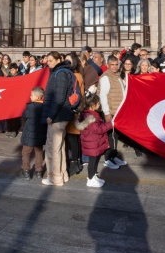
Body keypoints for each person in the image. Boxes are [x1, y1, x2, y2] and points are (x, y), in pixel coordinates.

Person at [41, 51, 76, 186]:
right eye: (47, 60)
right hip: (62, 115)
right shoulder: (62, 72)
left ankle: (55, 178)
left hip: (58, 116)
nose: (48, 63)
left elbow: (59, 98)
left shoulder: (60, 73)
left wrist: (51, 115)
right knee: (60, 147)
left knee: (52, 148)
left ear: (58, 59)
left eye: (50, 60)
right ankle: (62, 175)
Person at [76, 93, 112, 188]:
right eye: (98, 103)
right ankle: (90, 179)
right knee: (92, 162)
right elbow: (98, 130)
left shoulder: (90, 114)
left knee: (95, 161)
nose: (99, 105)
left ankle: (93, 176)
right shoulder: (91, 117)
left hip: (94, 143)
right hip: (92, 144)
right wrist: (110, 124)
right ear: (93, 105)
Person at [99, 55, 128, 169]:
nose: (115, 67)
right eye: (112, 65)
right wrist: (106, 113)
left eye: (116, 64)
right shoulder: (106, 77)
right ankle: (108, 159)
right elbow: (103, 95)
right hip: (110, 112)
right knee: (109, 136)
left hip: (117, 111)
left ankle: (114, 155)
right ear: (108, 65)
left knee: (115, 135)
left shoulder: (117, 76)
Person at [19, 86, 46, 181]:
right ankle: (39, 171)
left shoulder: (30, 106)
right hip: (40, 133)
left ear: (37, 97)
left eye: (32, 95)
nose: (30, 97)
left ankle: (26, 170)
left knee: (26, 152)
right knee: (39, 152)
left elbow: (24, 116)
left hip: (29, 134)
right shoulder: (45, 107)